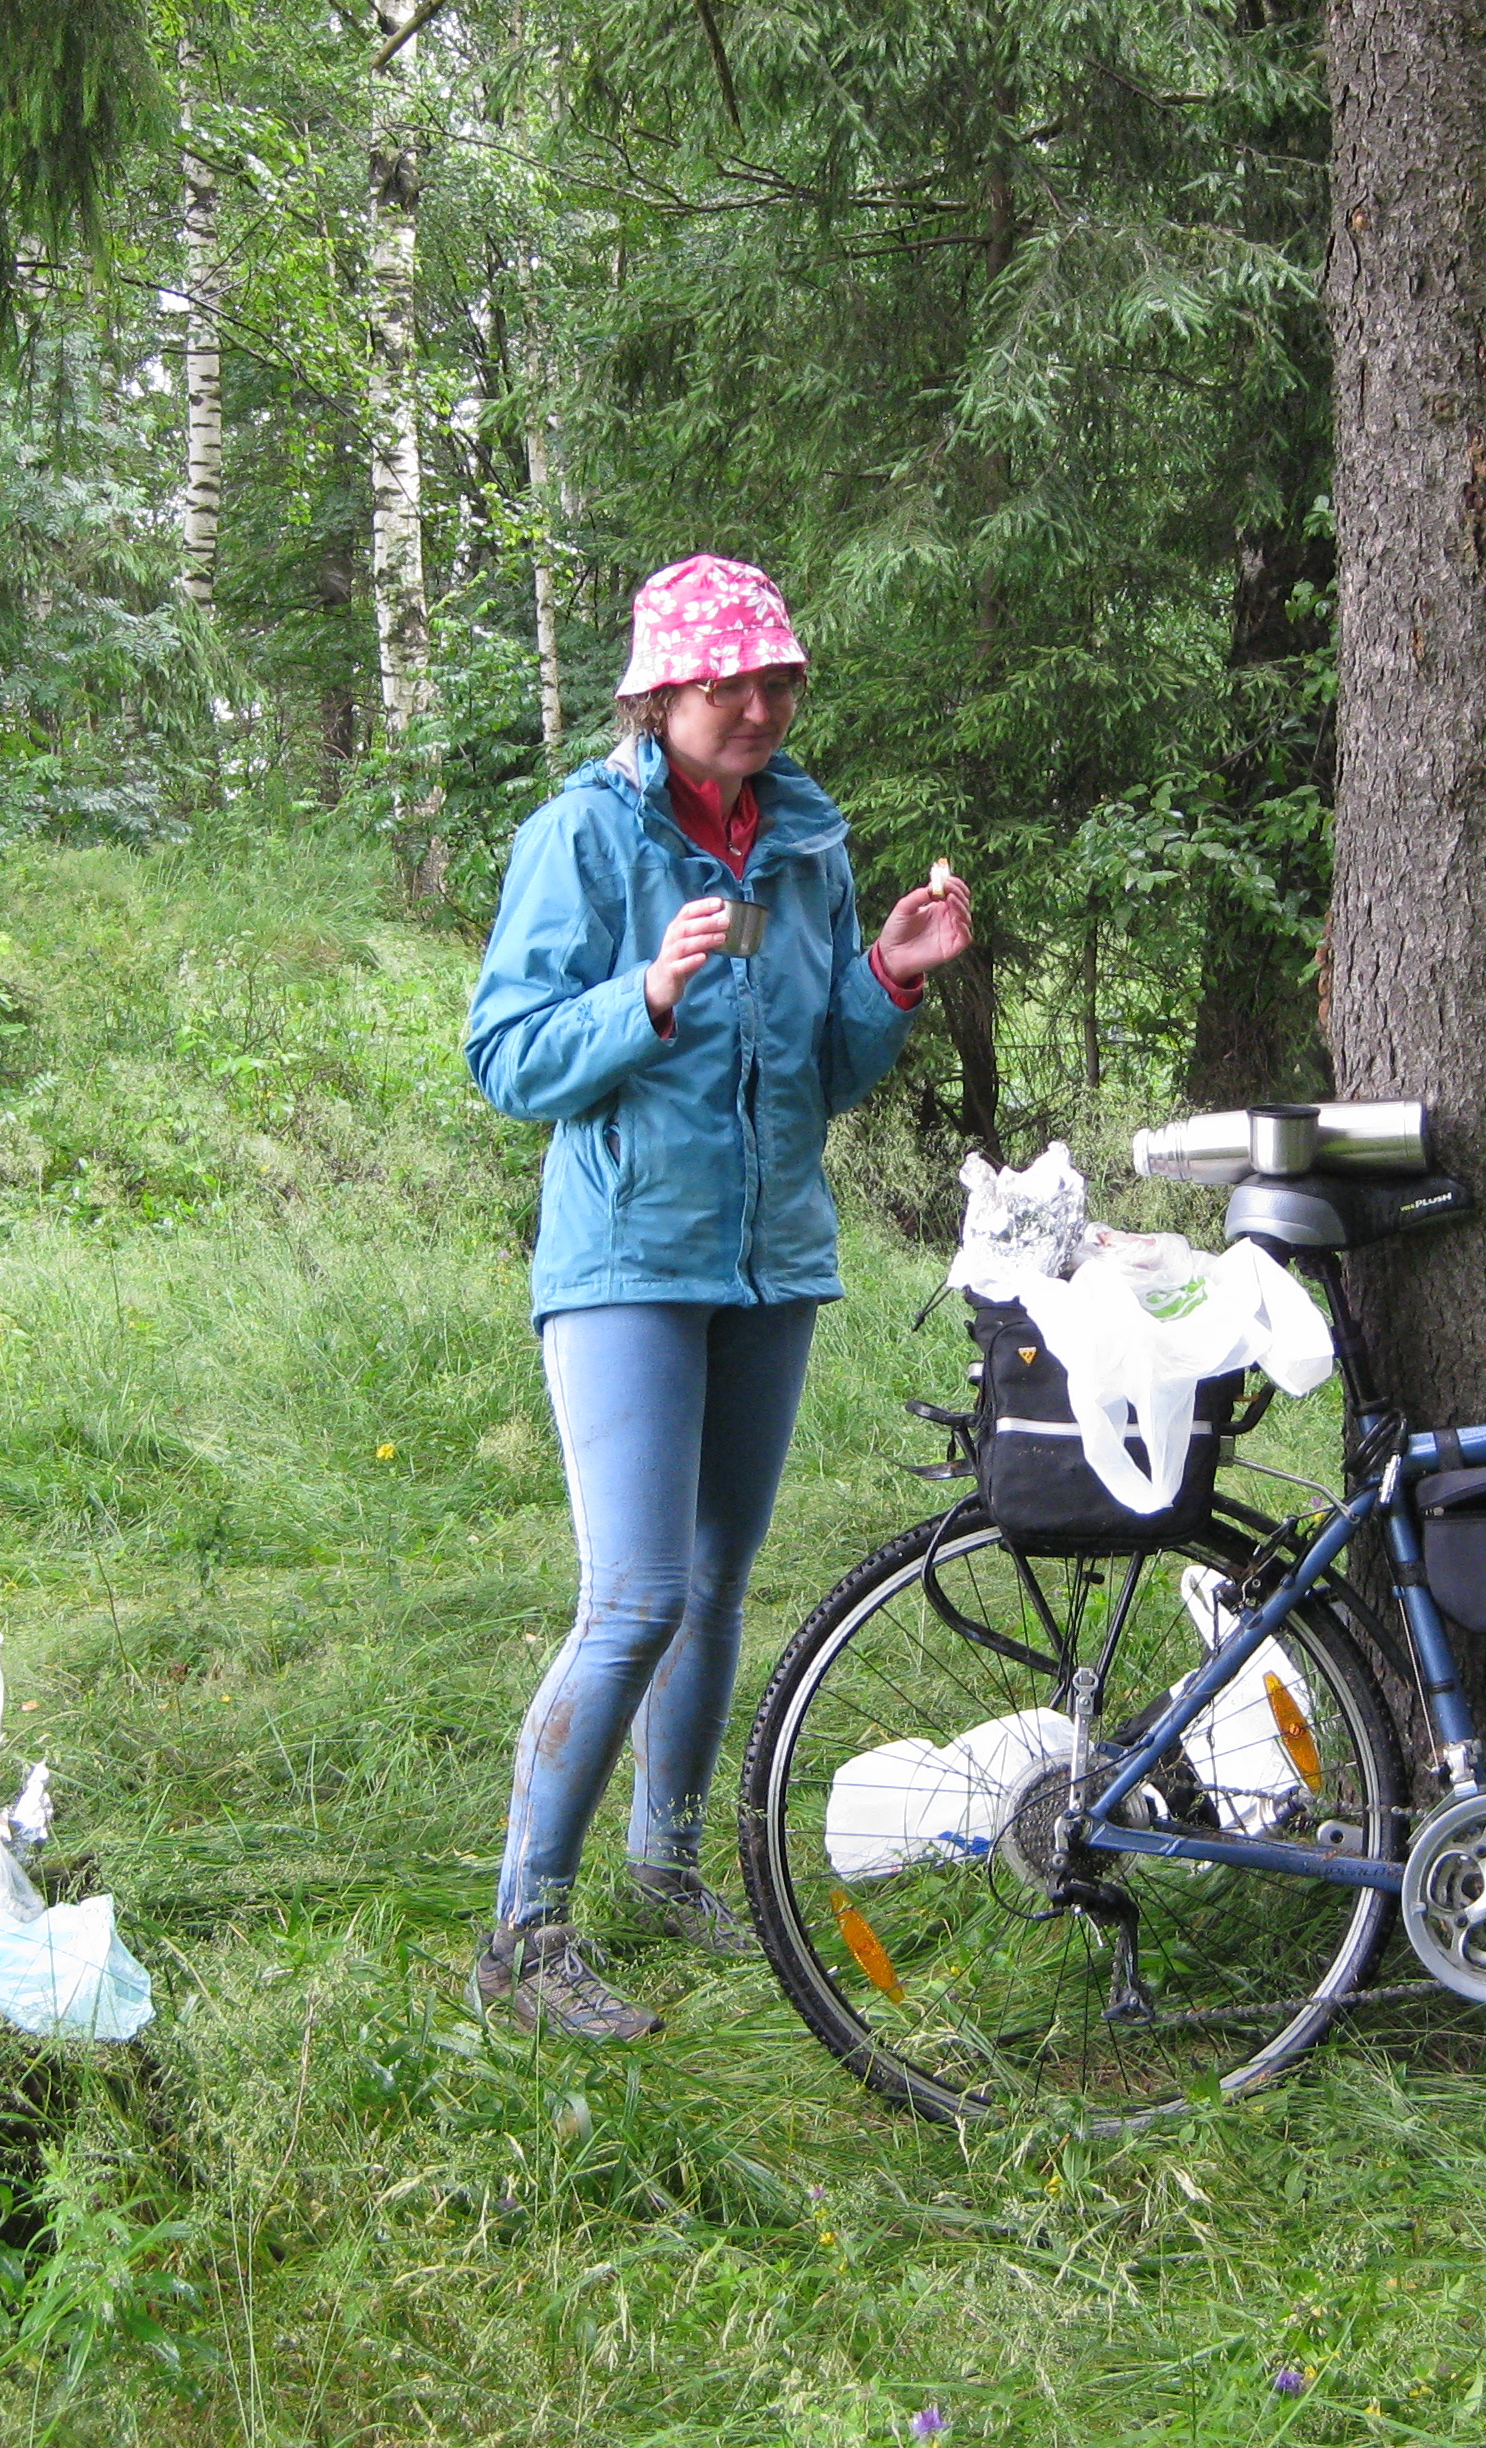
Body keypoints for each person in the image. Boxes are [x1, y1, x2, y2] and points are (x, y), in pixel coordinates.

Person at [462, 555, 973, 2039]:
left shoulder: (805, 842)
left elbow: (819, 1070)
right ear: (661, 695)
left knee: (715, 1582)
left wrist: (888, 976)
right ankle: (523, 1936)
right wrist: (644, 995)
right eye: (725, 684)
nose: (756, 707)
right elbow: (507, 1055)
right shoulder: (584, 836)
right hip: (629, 1254)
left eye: (777, 682)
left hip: (771, 1254)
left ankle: (668, 1867)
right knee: (634, 1599)